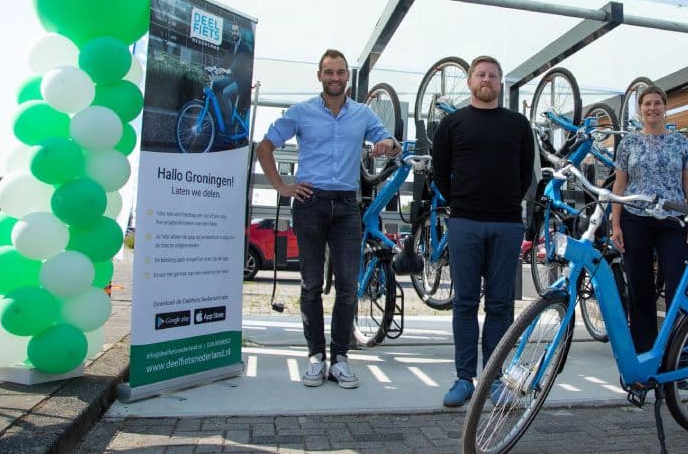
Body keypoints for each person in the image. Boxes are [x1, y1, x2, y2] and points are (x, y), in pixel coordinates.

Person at [256, 49, 400, 390]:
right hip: (310, 203)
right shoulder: (301, 112)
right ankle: (315, 357)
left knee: (348, 286)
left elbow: (391, 143)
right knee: (310, 285)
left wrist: (386, 144)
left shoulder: (362, 114)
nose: (335, 77)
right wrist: (282, 186)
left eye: (340, 72)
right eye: (328, 72)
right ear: (319, 76)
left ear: (347, 78)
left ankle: (339, 359)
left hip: (347, 207)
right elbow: (265, 147)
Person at [431, 55, 535, 407]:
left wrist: (505, 202)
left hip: (506, 224)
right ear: (470, 82)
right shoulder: (452, 123)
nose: (486, 79)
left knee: (501, 304)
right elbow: (440, 173)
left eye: (493, 75)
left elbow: (525, 174)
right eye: (481, 75)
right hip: (464, 223)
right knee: (464, 302)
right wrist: (464, 201)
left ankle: (494, 380)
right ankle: (464, 379)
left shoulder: (518, 124)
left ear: (500, 82)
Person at [610, 85, 688, 354]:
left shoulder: (680, 142)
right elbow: (619, 186)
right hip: (635, 218)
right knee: (640, 289)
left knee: (676, 286)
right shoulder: (629, 143)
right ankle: (644, 354)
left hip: (673, 219)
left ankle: (674, 358)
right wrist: (615, 224)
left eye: (657, 103)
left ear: (665, 106)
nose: (652, 107)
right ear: (640, 109)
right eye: (647, 103)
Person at [212, 23, 254, 130]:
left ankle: (229, 123)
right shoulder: (233, 46)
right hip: (234, 77)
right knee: (216, 84)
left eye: (236, 31)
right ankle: (222, 113)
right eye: (233, 31)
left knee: (226, 93)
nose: (234, 33)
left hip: (243, 80)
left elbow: (238, 62)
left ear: (240, 33)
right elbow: (225, 59)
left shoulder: (244, 48)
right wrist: (214, 68)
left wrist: (228, 70)